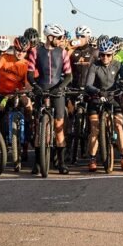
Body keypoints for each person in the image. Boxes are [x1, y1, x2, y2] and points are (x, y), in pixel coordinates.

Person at [27, 23, 73, 174]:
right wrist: (35, 86)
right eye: (58, 37)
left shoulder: (63, 52)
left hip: (57, 90)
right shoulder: (35, 51)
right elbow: (30, 74)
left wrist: (60, 88)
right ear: (50, 37)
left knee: (59, 126)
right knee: (39, 126)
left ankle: (61, 163)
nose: (60, 40)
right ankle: (38, 163)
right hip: (41, 88)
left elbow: (68, 75)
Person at [0, 36, 33, 168]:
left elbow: (29, 82)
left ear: (27, 51)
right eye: (17, 50)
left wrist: (29, 90)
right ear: (14, 48)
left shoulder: (27, 64)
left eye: (23, 51)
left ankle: (30, 128)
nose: (20, 53)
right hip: (3, 95)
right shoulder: (5, 58)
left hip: (19, 94)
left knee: (29, 105)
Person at [85, 39, 123, 172]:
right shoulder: (95, 65)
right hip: (97, 97)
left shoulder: (118, 64)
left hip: (113, 97)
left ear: (113, 55)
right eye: (102, 55)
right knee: (95, 129)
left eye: (108, 55)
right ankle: (92, 159)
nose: (105, 57)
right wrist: (97, 91)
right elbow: (88, 84)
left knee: (119, 126)